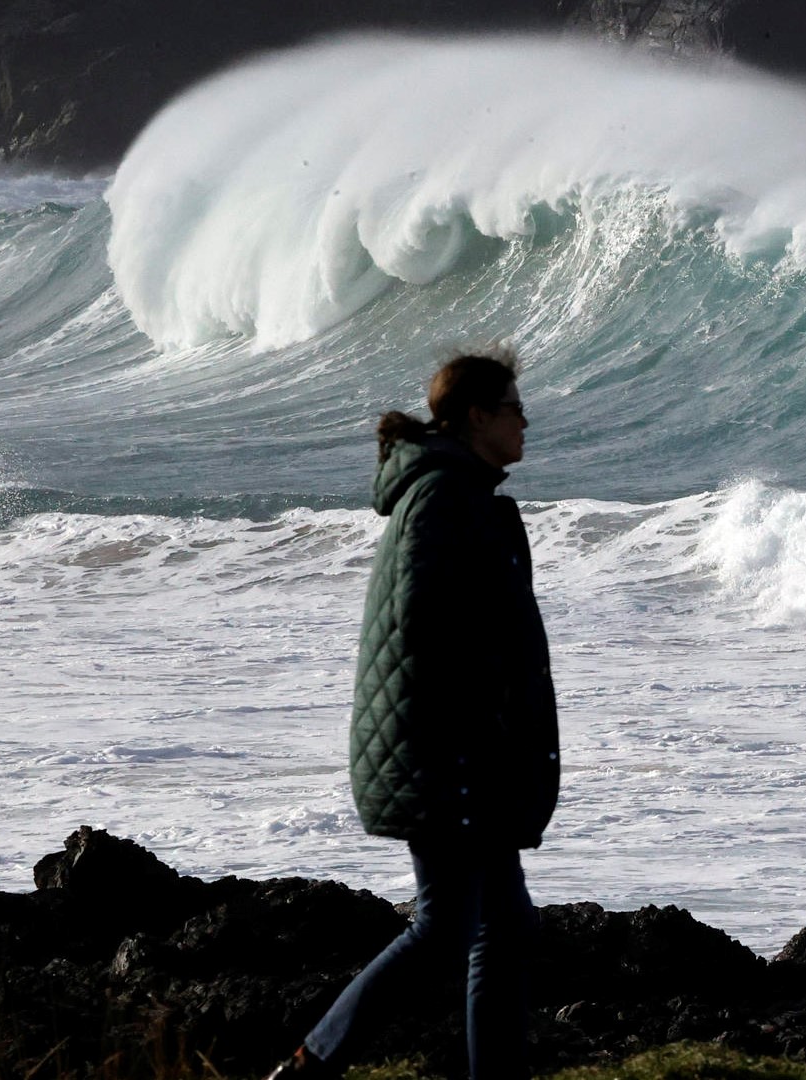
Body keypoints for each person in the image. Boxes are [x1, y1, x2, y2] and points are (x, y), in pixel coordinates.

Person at [269, 352, 559, 1080]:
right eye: (513, 406)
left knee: (503, 925)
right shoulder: (442, 497)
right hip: (443, 752)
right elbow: (423, 633)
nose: (526, 419)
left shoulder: (461, 491)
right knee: (445, 927)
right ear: (476, 417)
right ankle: (312, 1061)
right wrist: (476, 732)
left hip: (462, 749)